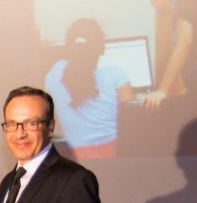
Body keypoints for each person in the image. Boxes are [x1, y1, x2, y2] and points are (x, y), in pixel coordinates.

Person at [44, 18, 133, 159]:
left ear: (69, 49)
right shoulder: (116, 76)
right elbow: (132, 119)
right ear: (102, 49)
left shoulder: (53, 77)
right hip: (113, 159)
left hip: (74, 161)